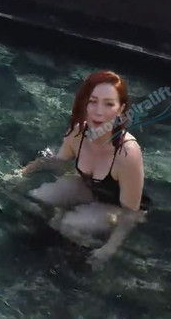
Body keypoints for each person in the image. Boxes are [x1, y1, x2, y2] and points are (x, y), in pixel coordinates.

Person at [21, 70, 151, 268]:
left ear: (121, 109)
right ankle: (44, 240)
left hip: (119, 206)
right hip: (90, 187)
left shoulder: (127, 152)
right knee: (39, 197)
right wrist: (24, 171)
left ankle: (73, 259)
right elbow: (58, 162)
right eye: (93, 102)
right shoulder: (78, 133)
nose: (99, 111)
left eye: (109, 104)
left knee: (70, 225)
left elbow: (131, 212)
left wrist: (109, 249)